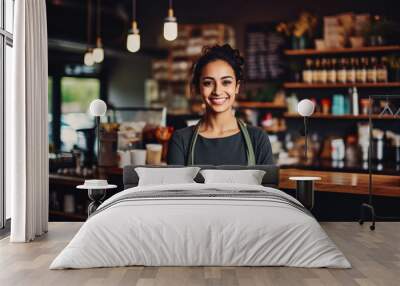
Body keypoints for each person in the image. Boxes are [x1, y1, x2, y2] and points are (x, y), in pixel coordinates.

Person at [167, 44, 274, 166]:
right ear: (198, 88)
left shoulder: (257, 139)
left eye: (226, 82)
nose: (217, 91)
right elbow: (177, 186)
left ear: (236, 87)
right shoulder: (181, 140)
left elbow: (267, 184)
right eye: (208, 83)